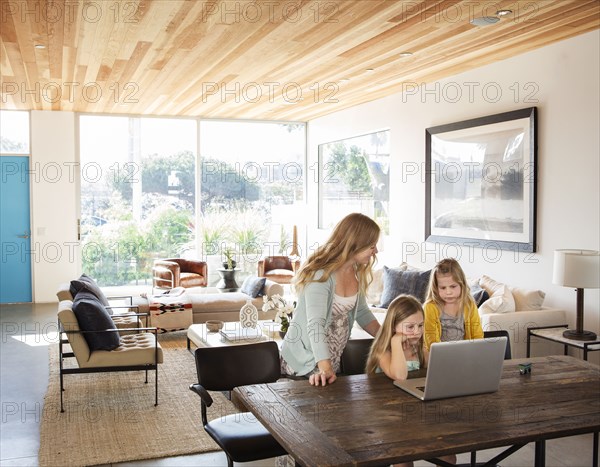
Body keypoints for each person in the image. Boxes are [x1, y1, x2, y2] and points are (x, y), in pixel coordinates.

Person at [280, 212, 382, 386]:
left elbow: (363, 313)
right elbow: (316, 325)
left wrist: (388, 338)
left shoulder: (357, 272)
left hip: (329, 360)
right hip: (304, 362)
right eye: (372, 246)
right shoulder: (321, 275)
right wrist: (325, 368)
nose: (376, 251)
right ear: (355, 243)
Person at [423, 258, 484, 350]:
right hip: (440, 356)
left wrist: (476, 354)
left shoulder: (469, 304)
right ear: (436, 288)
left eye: (453, 286)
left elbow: (477, 335)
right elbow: (431, 341)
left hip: (465, 355)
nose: (448, 292)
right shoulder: (430, 307)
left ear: (462, 284)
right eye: (443, 288)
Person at [366, 294, 426, 381]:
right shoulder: (382, 352)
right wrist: (396, 342)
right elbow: (400, 376)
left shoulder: (419, 349)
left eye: (420, 325)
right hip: (385, 393)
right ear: (393, 326)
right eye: (410, 327)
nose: (417, 331)